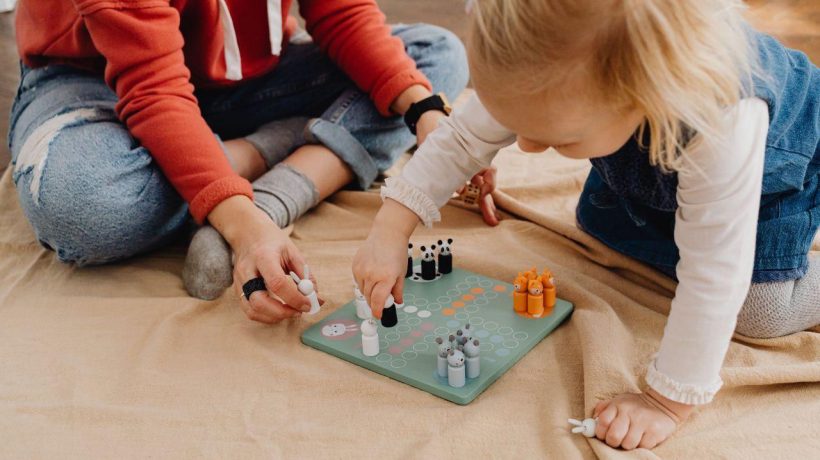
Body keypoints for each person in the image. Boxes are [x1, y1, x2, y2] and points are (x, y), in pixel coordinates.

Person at [352, 0, 818, 450]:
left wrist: (666, 402)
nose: (527, 149)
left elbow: (716, 267)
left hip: (774, 183)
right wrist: (389, 231)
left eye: (561, 139)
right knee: (597, 221)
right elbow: (460, 140)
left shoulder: (723, 119)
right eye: (517, 127)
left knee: (759, 312)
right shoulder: (540, 62)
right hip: (667, 176)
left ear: (643, 91)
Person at [9, 0, 468, 322]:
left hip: (244, 79)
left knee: (435, 59)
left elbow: (342, 13)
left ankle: (266, 188)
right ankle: (265, 156)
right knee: (83, 205)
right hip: (99, 81)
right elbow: (155, 90)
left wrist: (423, 110)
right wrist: (247, 234)